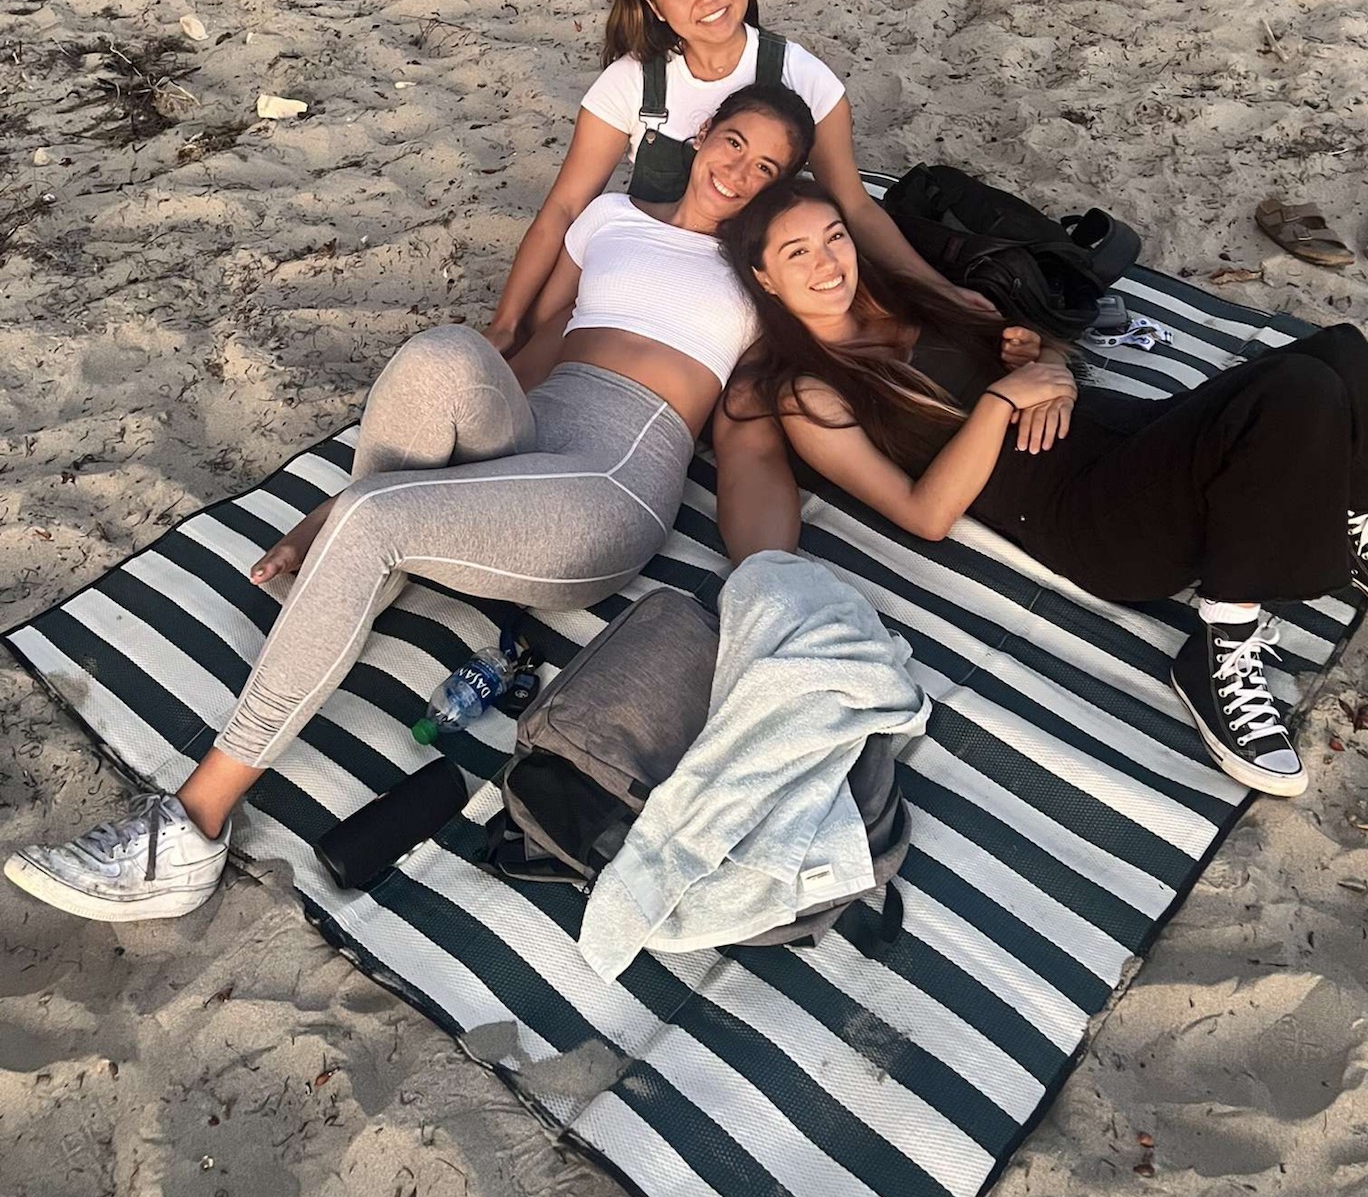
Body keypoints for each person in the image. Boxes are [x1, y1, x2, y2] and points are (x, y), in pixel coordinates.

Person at [5, 84, 818, 922]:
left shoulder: (760, 276)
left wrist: (770, 578)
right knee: (443, 352)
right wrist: (339, 502)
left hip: (612, 480)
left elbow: (753, 442)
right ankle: (357, 535)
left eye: (769, 169)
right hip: (535, 430)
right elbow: (529, 361)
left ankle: (191, 826)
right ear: (705, 133)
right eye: (735, 145)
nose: (741, 173)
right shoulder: (614, 219)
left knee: (376, 522)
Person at [715, 179, 1368, 801]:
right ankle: (1217, 648)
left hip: (1127, 433)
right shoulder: (811, 394)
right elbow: (926, 514)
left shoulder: (906, 302)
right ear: (764, 278)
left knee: (1342, 352)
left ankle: (1352, 522)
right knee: (1298, 389)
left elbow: (1047, 359)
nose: (827, 262)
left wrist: (1038, 360)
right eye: (797, 252)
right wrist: (1004, 400)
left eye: (835, 237)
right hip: (1094, 519)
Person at [484, 0, 989, 357]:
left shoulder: (805, 78)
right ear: (655, 6)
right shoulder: (632, 81)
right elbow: (566, 208)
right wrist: (508, 323)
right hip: (646, 269)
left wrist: (940, 291)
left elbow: (853, 205)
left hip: (749, 290)